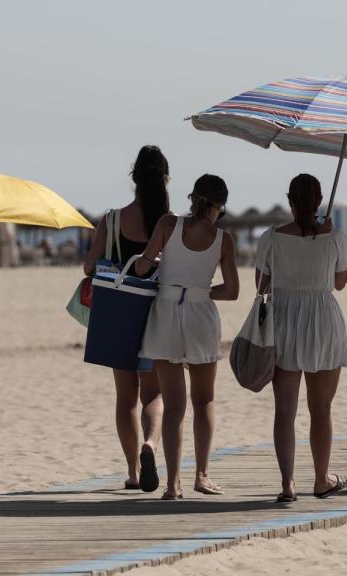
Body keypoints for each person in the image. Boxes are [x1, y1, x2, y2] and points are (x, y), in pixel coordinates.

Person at [135, 174, 239, 500]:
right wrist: (204, 290)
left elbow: (141, 269)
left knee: (174, 403)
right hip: (200, 312)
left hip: (165, 310)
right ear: (220, 207)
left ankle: (172, 484)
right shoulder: (223, 239)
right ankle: (202, 475)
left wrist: (155, 265)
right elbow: (233, 291)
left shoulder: (169, 224)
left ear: (193, 197)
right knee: (204, 399)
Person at [256, 174, 347, 502]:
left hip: (284, 318)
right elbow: (340, 283)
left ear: (290, 201)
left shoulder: (271, 237)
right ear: (320, 200)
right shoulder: (335, 237)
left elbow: (261, 285)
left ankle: (287, 484)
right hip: (323, 318)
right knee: (321, 408)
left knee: (284, 409)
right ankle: (322, 478)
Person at [82, 145, 170, 492]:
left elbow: (89, 265)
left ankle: (133, 471)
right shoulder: (170, 221)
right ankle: (151, 443)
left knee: (125, 397)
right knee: (153, 394)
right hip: (155, 311)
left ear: (134, 178)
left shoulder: (113, 219)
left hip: (119, 311)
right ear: (165, 178)